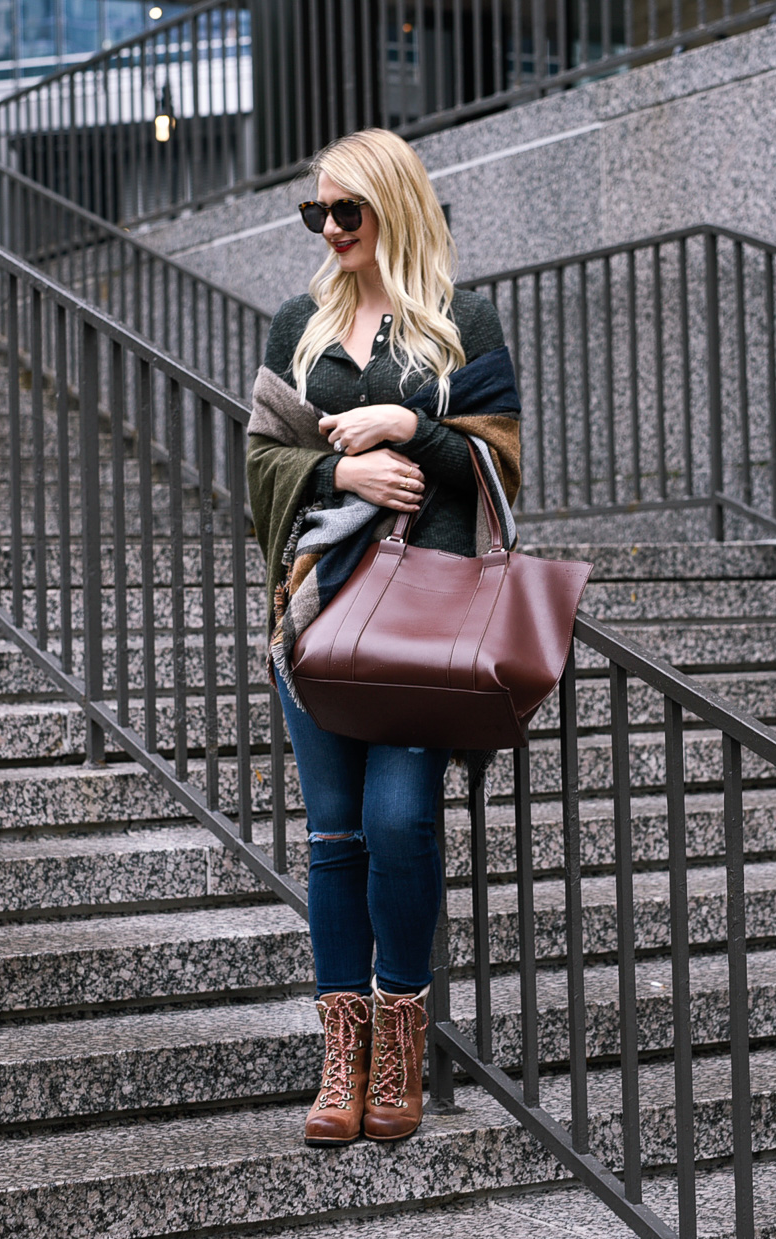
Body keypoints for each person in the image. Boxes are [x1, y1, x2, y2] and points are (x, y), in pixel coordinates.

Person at [246, 129, 521, 1147]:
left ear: (393, 205)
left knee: (400, 821)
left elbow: (501, 469)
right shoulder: (296, 327)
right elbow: (259, 470)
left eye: (345, 212)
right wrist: (338, 474)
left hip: (423, 622)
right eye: (314, 214)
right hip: (316, 618)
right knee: (332, 839)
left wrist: (411, 431)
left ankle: (402, 1041)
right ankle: (342, 1059)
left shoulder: (463, 322)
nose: (328, 230)